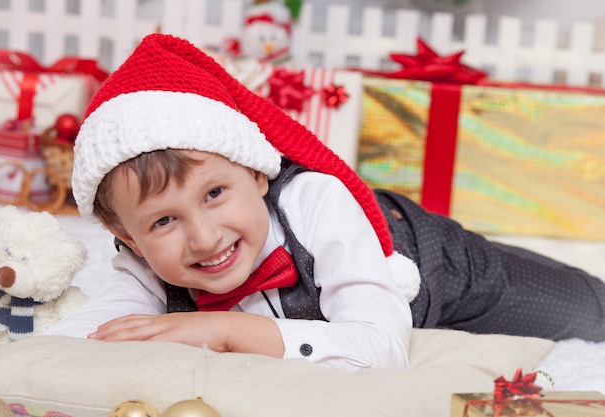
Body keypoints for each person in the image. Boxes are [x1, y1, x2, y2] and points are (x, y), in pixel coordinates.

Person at [46, 33, 605, 371]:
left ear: (259, 174)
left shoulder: (317, 202)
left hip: (435, 263)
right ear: (129, 241)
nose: (205, 236)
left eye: (215, 193)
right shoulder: (142, 263)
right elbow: (86, 338)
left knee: (584, 309)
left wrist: (224, 331)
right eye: (164, 220)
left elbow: (380, 349)